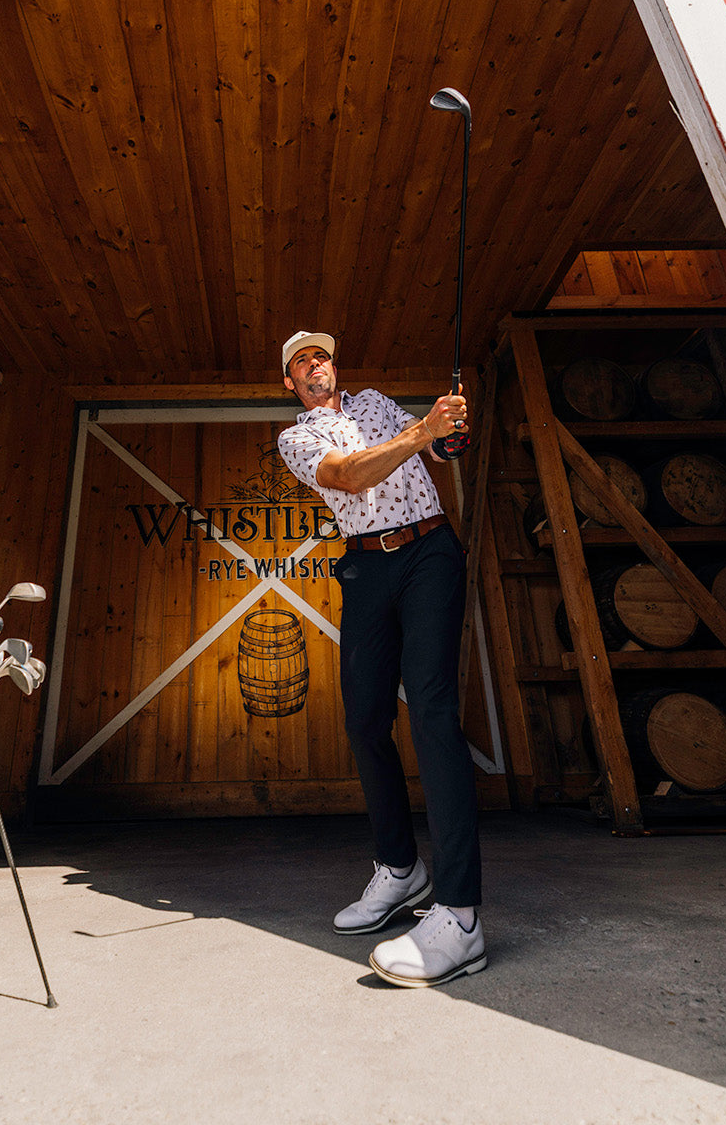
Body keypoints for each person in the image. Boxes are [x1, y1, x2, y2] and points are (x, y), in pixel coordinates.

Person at [276, 329, 484, 987]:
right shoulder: (297, 437)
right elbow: (349, 474)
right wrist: (424, 432)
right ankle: (400, 870)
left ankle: (460, 914)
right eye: (302, 361)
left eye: (322, 355)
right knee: (365, 720)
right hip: (366, 567)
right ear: (290, 382)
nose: (316, 365)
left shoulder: (376, 403)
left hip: (428, 553)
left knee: (431, 710)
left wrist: (448, 432)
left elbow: (439, 450)